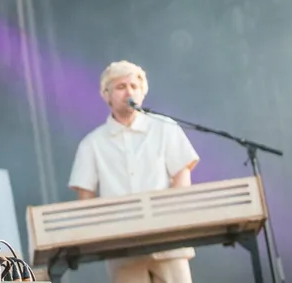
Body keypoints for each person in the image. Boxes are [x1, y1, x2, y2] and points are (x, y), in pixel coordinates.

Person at [68, 60, 200, 283]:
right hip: (122, 250)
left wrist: (174, 218)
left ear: (142, 93)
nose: (128, 91)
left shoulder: (164, 127)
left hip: (168, 243)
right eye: (120, 87)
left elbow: (181, 175)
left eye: (134, 86)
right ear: (106, 95)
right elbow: (86, 199)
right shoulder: (92, 144)